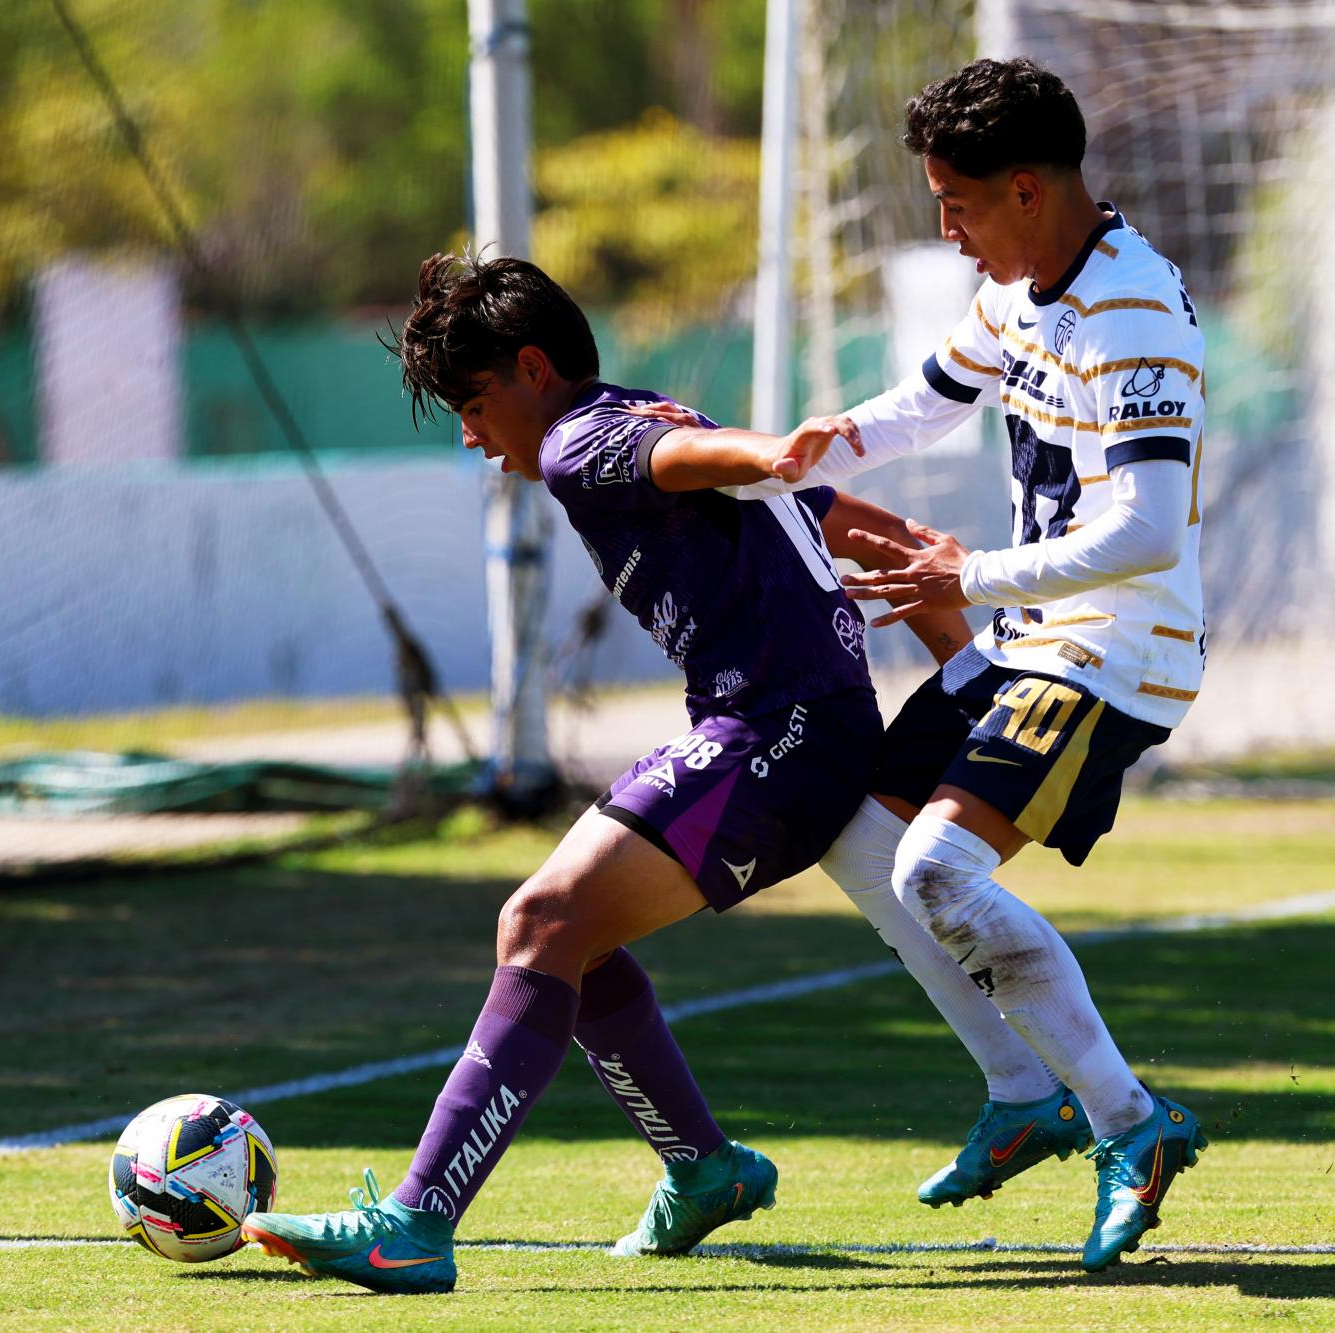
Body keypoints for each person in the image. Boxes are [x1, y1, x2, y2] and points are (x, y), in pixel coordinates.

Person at [240, 251, 972, 1294]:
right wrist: (826, 496)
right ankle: (701, 1167)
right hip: (776, 723)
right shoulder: (633, 411)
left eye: (472, 402)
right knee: (559, 938)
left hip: (779, 730)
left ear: (531, 369)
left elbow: (686, 461)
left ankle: (413, 1223)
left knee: (540, 922)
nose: (471, 436)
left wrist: (771, 453)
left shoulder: (587, 439)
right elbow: (757, 488)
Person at [706, 55, 1211, 1271]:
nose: (946, 227)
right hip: (1035, 634)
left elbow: (1145, 527)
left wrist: (964, 577)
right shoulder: (1022, 288)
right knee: (858, 838)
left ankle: (1131, 1126)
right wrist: (832, 442)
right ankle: (1016, 1090)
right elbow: (932, 398)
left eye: (959, 202)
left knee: (935, 863)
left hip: (1112, 647)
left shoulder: (1129, 310)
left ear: (1028, 189)